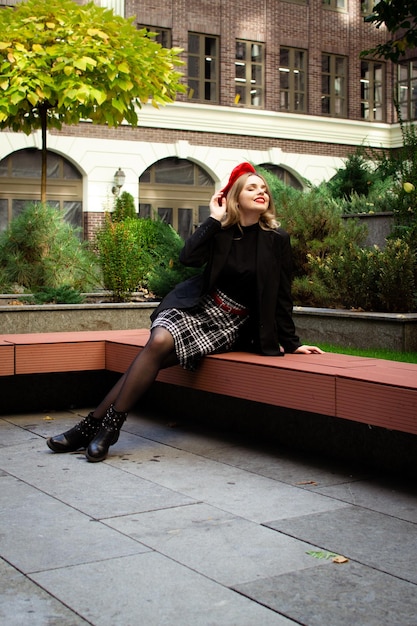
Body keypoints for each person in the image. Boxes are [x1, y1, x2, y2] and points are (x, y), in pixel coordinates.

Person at [47, 162, 323, 463]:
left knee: (148, 359)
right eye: (252, 187)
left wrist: (292, 342)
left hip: (229, 324)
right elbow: (187, 258)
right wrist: (213, 219)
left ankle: (90, 427)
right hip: (197, 307)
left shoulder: (277, 239)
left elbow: (282, 295)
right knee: (157, 344)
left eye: (264, 189)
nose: (262, 192)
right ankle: (108, 429)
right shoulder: (221, 230)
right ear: (234, 196)